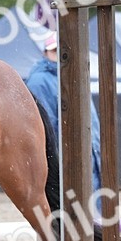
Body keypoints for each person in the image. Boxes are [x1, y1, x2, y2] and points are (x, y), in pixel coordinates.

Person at [24, 31, 103, 191]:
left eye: (62, 50)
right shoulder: (39, 82)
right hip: (67, 157)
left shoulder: (75, 75)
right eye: (54, 50)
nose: (59, 54)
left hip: (86, 152)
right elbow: (46, 128)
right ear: (45, 53)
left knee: (91, 203)